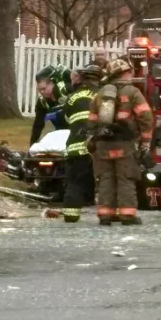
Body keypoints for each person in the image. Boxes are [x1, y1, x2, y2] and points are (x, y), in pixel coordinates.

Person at [88, 57, 154, 226]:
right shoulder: (133, 92)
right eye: (130, 72)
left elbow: (92, 119)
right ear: (125, 73)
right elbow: (145, 117)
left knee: (105, 178)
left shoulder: (101, 93)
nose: (132, 74)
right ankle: (127, 215)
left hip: (102, 144)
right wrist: (146, 141)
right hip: (124, 144)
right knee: (126, 178)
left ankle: (105, 215)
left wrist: (91, 138)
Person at [60, 63, 104, 223]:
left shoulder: (71, 98)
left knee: (74, 183)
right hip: (97, 147)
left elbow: (67, 119)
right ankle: (108, 214)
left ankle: (71, 215)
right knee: (106, 182)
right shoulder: (102, 96)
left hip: (75, 147)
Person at [30, 64, 73, 146]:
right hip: (61, 132)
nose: (42, 92)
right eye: (39, 90)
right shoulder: (42, 102)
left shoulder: (66, 90)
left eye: (44, 89)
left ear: (52, 84)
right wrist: (32, 145)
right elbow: (38, 125)